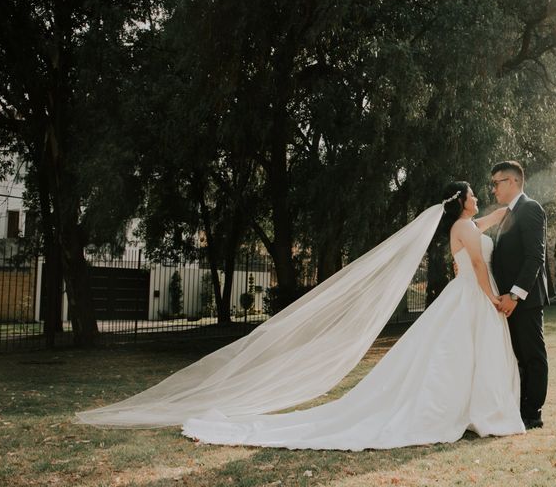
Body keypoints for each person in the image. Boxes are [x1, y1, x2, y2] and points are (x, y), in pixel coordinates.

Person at [174, 182, 525, 449]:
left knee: (464, 353)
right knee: (463, 352)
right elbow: (478, 263)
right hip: (473, 292)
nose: (479, 198)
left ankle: (475, 408)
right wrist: (491, 296)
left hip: (467, 293)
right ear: (461, 201)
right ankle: (479, 410)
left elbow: (484, 224)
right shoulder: (464, 228)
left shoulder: (468, 225)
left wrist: (504, 212)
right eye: (473, 195)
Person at [489, 161, 550, 430]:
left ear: (513, 182)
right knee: (517, 356)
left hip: (525, 299)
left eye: (497, 183)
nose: (493, 189)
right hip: (506, 301)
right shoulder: (505, 216)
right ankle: (519, 407)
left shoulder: (530, 209)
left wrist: (514, 296)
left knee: (532, 355)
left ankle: (532, 413)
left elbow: (535, 257)